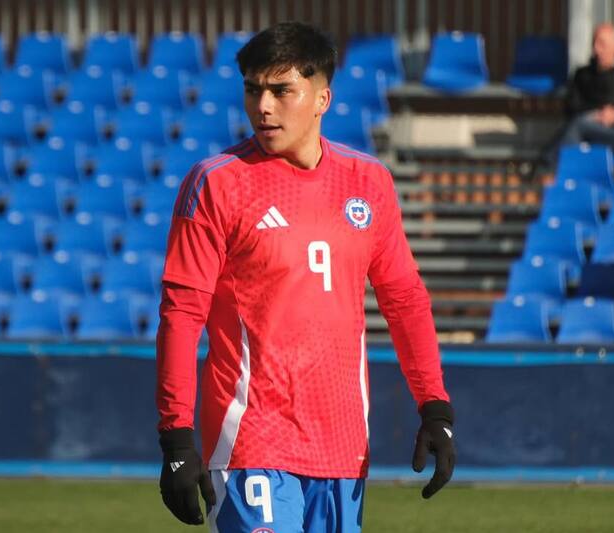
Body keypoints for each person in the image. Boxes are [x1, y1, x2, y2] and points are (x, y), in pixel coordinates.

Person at [155, 22, 455, 533]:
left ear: (322, 99)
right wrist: (177, 438)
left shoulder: (369, 182)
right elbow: (182, 315)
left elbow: (404, 300)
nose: (263, 106)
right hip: (252, 437)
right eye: (253, 90)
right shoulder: (215, 184)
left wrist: (435, 407)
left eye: (281, 90)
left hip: (342, 446)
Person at [561, 23, 614, 152]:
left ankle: (549, 168)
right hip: (589, 126)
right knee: (575, 127)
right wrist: (598, 115)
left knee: (573, 130)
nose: (596, 49)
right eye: (594, 43)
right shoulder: (583, 75)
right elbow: (571, 107)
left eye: (602, 44)